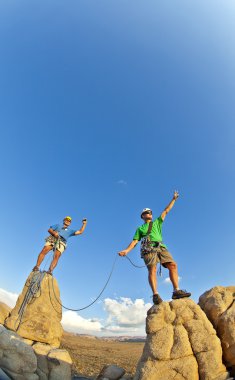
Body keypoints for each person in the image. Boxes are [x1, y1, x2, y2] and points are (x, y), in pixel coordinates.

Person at [118, 191, 191, 305]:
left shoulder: (157, 222)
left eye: (150, 212)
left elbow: (166, 211)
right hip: (148, 248)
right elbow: (135, 241)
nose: (149, 213)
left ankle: (176, 291)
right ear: (142, 216)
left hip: (161, 246)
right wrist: (126, 250)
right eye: (146, 212)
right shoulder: (140, 228)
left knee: (173, 265)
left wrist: (174, 199)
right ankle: (155, 294)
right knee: (152, 269)